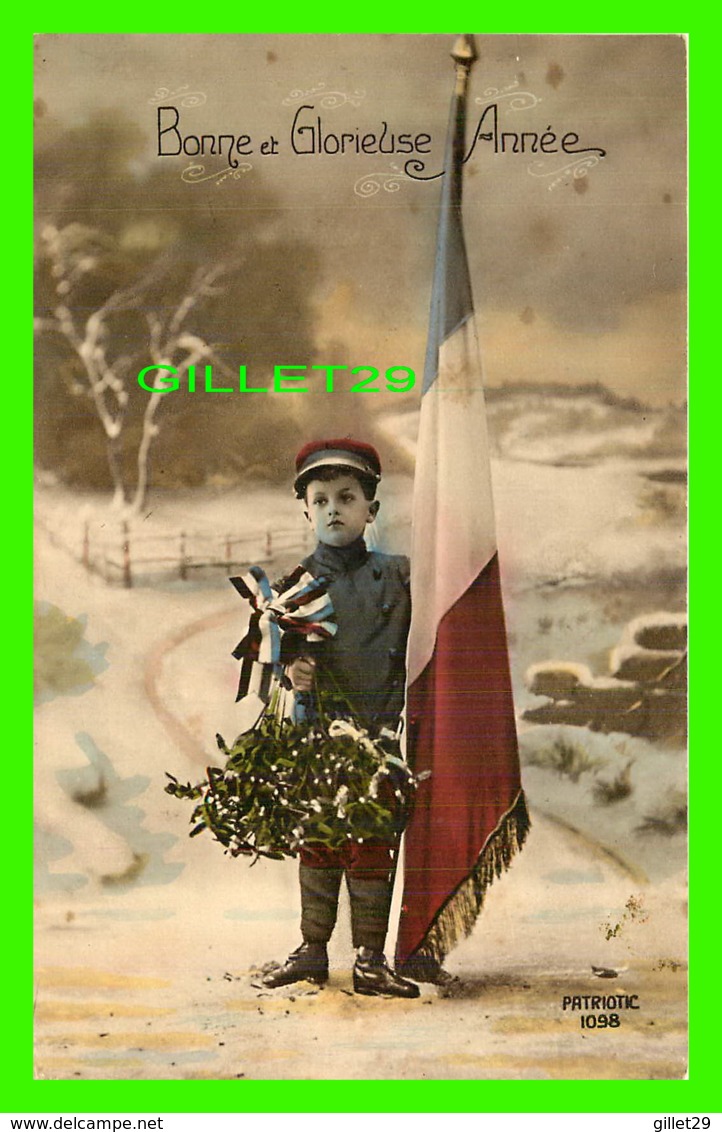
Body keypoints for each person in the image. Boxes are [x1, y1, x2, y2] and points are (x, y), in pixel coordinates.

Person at [261, 438, 420, 999]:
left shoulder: (402, 577)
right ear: (305, 508)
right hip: (317, 740)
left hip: (378, 736)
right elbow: (273, 663)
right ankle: (311, 951)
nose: (334, 509)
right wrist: (291, 672)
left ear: (370, 511)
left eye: (347, 497)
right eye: (321, 497)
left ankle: (371, 959)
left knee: (373, 842)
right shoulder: (293, 589)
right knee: (320, 840)